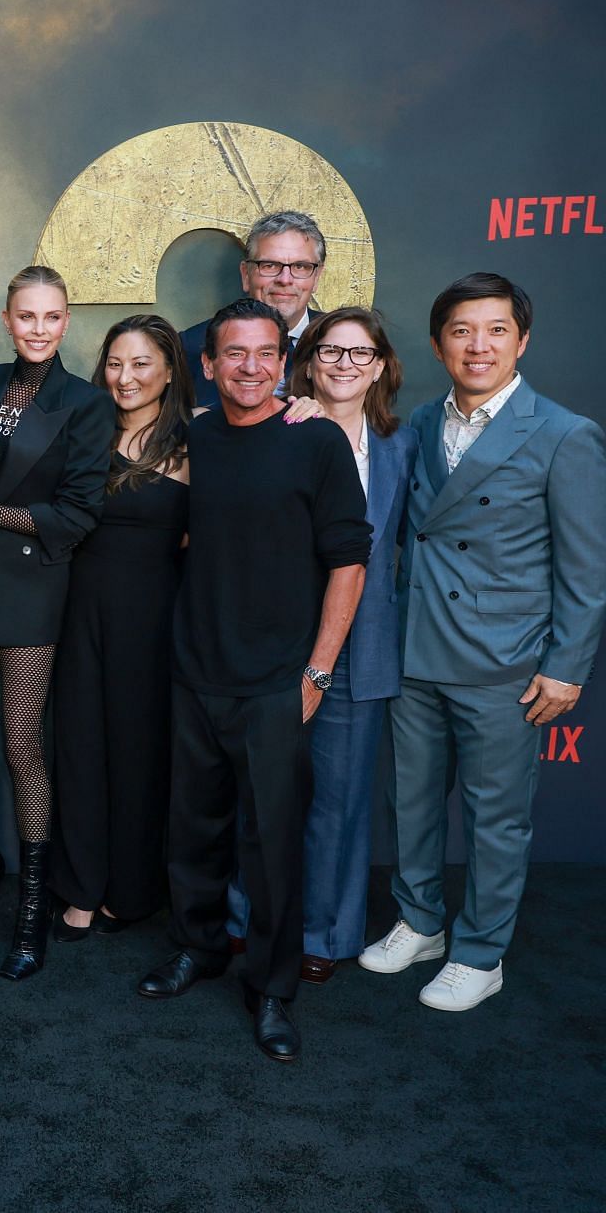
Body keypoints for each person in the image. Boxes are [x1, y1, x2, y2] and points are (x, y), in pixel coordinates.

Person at [360, 273, 606, 1011]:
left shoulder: (565, 433)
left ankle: (481, 949)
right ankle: (421, 920)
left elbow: (587, 568)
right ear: (439, 344)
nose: (479, 344)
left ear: (521, 340)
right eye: (463, 330)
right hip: (415, 648)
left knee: (497, 817)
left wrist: (566, 667)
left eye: (496, 329)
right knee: (411, 800)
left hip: (506, 660)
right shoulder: (417, 423)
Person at [135, 298, 370, 1064]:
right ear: (209, 364)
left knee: (271, 844)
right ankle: (197, 947)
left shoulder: (317, 441)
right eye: (233, 353)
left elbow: (348, 561)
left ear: (283, 360)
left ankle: (272, 989)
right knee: (192, 828)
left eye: (264, 352)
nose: (249, 366)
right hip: (196, 667)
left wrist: (318, 670)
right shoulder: (193, 435)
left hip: (278, 680)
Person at [224, 308, 417, 984]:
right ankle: (246, 917)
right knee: (260, 789)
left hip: (362, 645)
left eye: (360, 353)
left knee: (339, 797)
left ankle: (323, 932)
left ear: (382, 365)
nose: (344, 363)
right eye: (331, 349)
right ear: (308, 360)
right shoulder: (279, 426)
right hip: (276, 632)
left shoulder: (400, 443)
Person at [0, 265, 112, 981]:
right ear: (8, 319)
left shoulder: (85, 402)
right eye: (26, 316)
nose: (38, 328)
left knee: (19, 741)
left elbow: (77, 514)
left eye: (52, 316)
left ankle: (32, 908)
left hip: (32, 585)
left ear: (65, 322)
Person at [50, 315, 192, 940]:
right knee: (79, 748)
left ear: (168, 371)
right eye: (115, 363)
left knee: (141, 754)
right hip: (78, 608)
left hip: (155, 618)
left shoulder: (197, 442)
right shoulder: (82, 429)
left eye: (140, 365)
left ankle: (131, 889)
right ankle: (80, 886)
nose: (126, 377)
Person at [179, 211, 328, 411]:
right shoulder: (191, 346)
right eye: (269, 265)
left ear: (317, 277)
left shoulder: (343, 347)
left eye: (300, 266)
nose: (285, 279)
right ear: (246, 275)